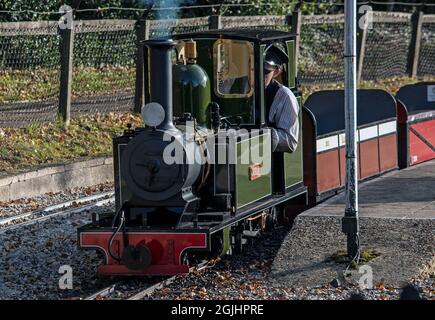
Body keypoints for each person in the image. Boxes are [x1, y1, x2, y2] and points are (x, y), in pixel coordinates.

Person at [264, 44, 299, 153]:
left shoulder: (284, 96)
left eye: (264, 71)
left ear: (276, 72)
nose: (256, 74)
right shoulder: (235, 87)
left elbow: (291, 141)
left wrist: (264, 135)